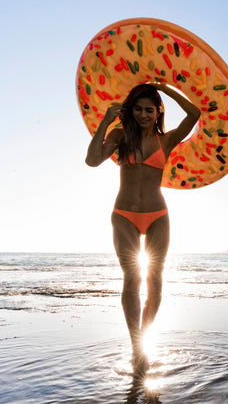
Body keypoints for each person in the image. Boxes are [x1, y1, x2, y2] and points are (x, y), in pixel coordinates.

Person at [85, 82, 200, 373]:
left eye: (149, 109)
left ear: (158, 111)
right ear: (130, 110)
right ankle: (137, 348)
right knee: (131, 279)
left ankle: (145, 339)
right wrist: (105, 122)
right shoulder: (120, 136)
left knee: (156, 283)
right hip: (123, 215)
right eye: (137, 109)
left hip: (158, 215)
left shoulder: (167, 140)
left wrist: (166, 89)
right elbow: (91, 160)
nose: (143, 114)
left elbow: (194, 113)